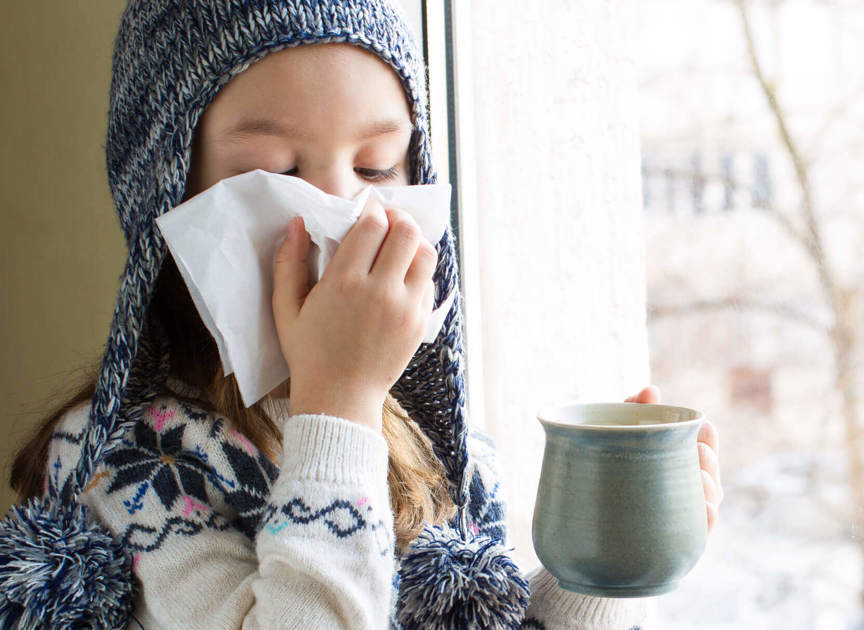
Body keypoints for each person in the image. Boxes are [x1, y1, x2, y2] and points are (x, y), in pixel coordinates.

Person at [3, 1, 724, 629]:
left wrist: (603, 572)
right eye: (278, 172)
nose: (344, 216)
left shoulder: (429, 441)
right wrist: (339, 403)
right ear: (165, 196)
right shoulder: (132, 462)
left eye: (378, 167)